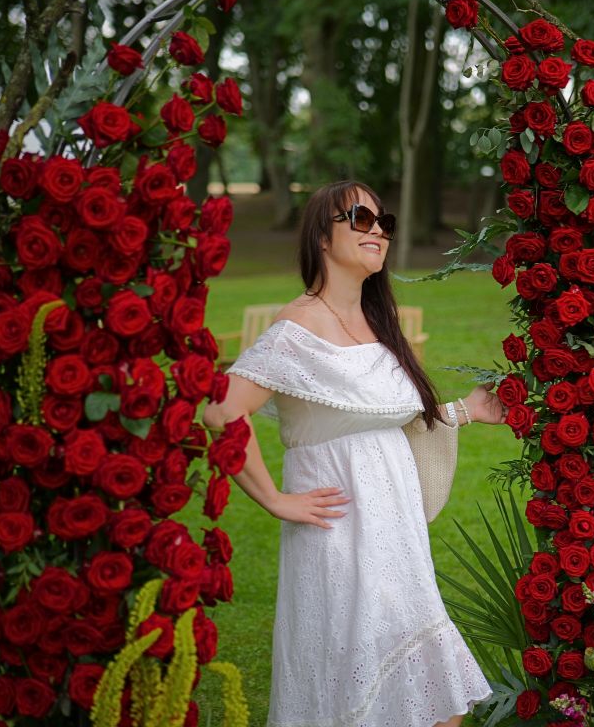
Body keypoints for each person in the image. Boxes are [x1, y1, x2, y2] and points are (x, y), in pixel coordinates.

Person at [203, 180, 505, 727]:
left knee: (433, 699)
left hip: (396, 538)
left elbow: (379, 419)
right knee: (359, 687)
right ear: (322, 235)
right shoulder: (297, 328)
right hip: (339, 539)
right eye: (360, 219)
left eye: (383, 222)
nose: (377, 232)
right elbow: (222, 412)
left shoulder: (378, 323)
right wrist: (275, 500)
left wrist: (464, 410)